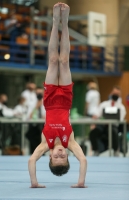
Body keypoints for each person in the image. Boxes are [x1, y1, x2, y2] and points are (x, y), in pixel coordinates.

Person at [28, 3, 87, 188]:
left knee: (53, 61)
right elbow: (84, 160)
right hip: (66, 100)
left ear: (50, 157)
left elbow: (31, 160)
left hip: (50, 101)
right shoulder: (71, 142)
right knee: (64, 61)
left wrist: (35, 183)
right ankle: (65, 22)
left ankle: (55, 22)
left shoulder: (45, 144)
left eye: (56, 158)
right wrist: (80, 182)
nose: (60, 154)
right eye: (63, 157)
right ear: (68, 156)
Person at [89, 86, 126, 156]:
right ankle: (96, 150)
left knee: (113, 131)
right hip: (103, 126)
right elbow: (97, 114)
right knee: (93, 132)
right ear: (111, 93)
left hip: (113, 127)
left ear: (119, 95)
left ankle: (116, 150)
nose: (115, 95)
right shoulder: (104, 104)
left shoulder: (121, 107)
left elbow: (121, 119)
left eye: (117, 94)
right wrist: (95, 117)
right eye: (114, 93)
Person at [26, 86, 46, 154]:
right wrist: (36, 107)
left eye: (41, 93)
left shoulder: (46, 102)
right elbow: (29, 116)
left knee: (43, 146)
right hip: (34, 126)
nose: (39, 95)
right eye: (38, 93)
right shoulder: (31, 103)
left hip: (43, 126)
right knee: (33, 146)